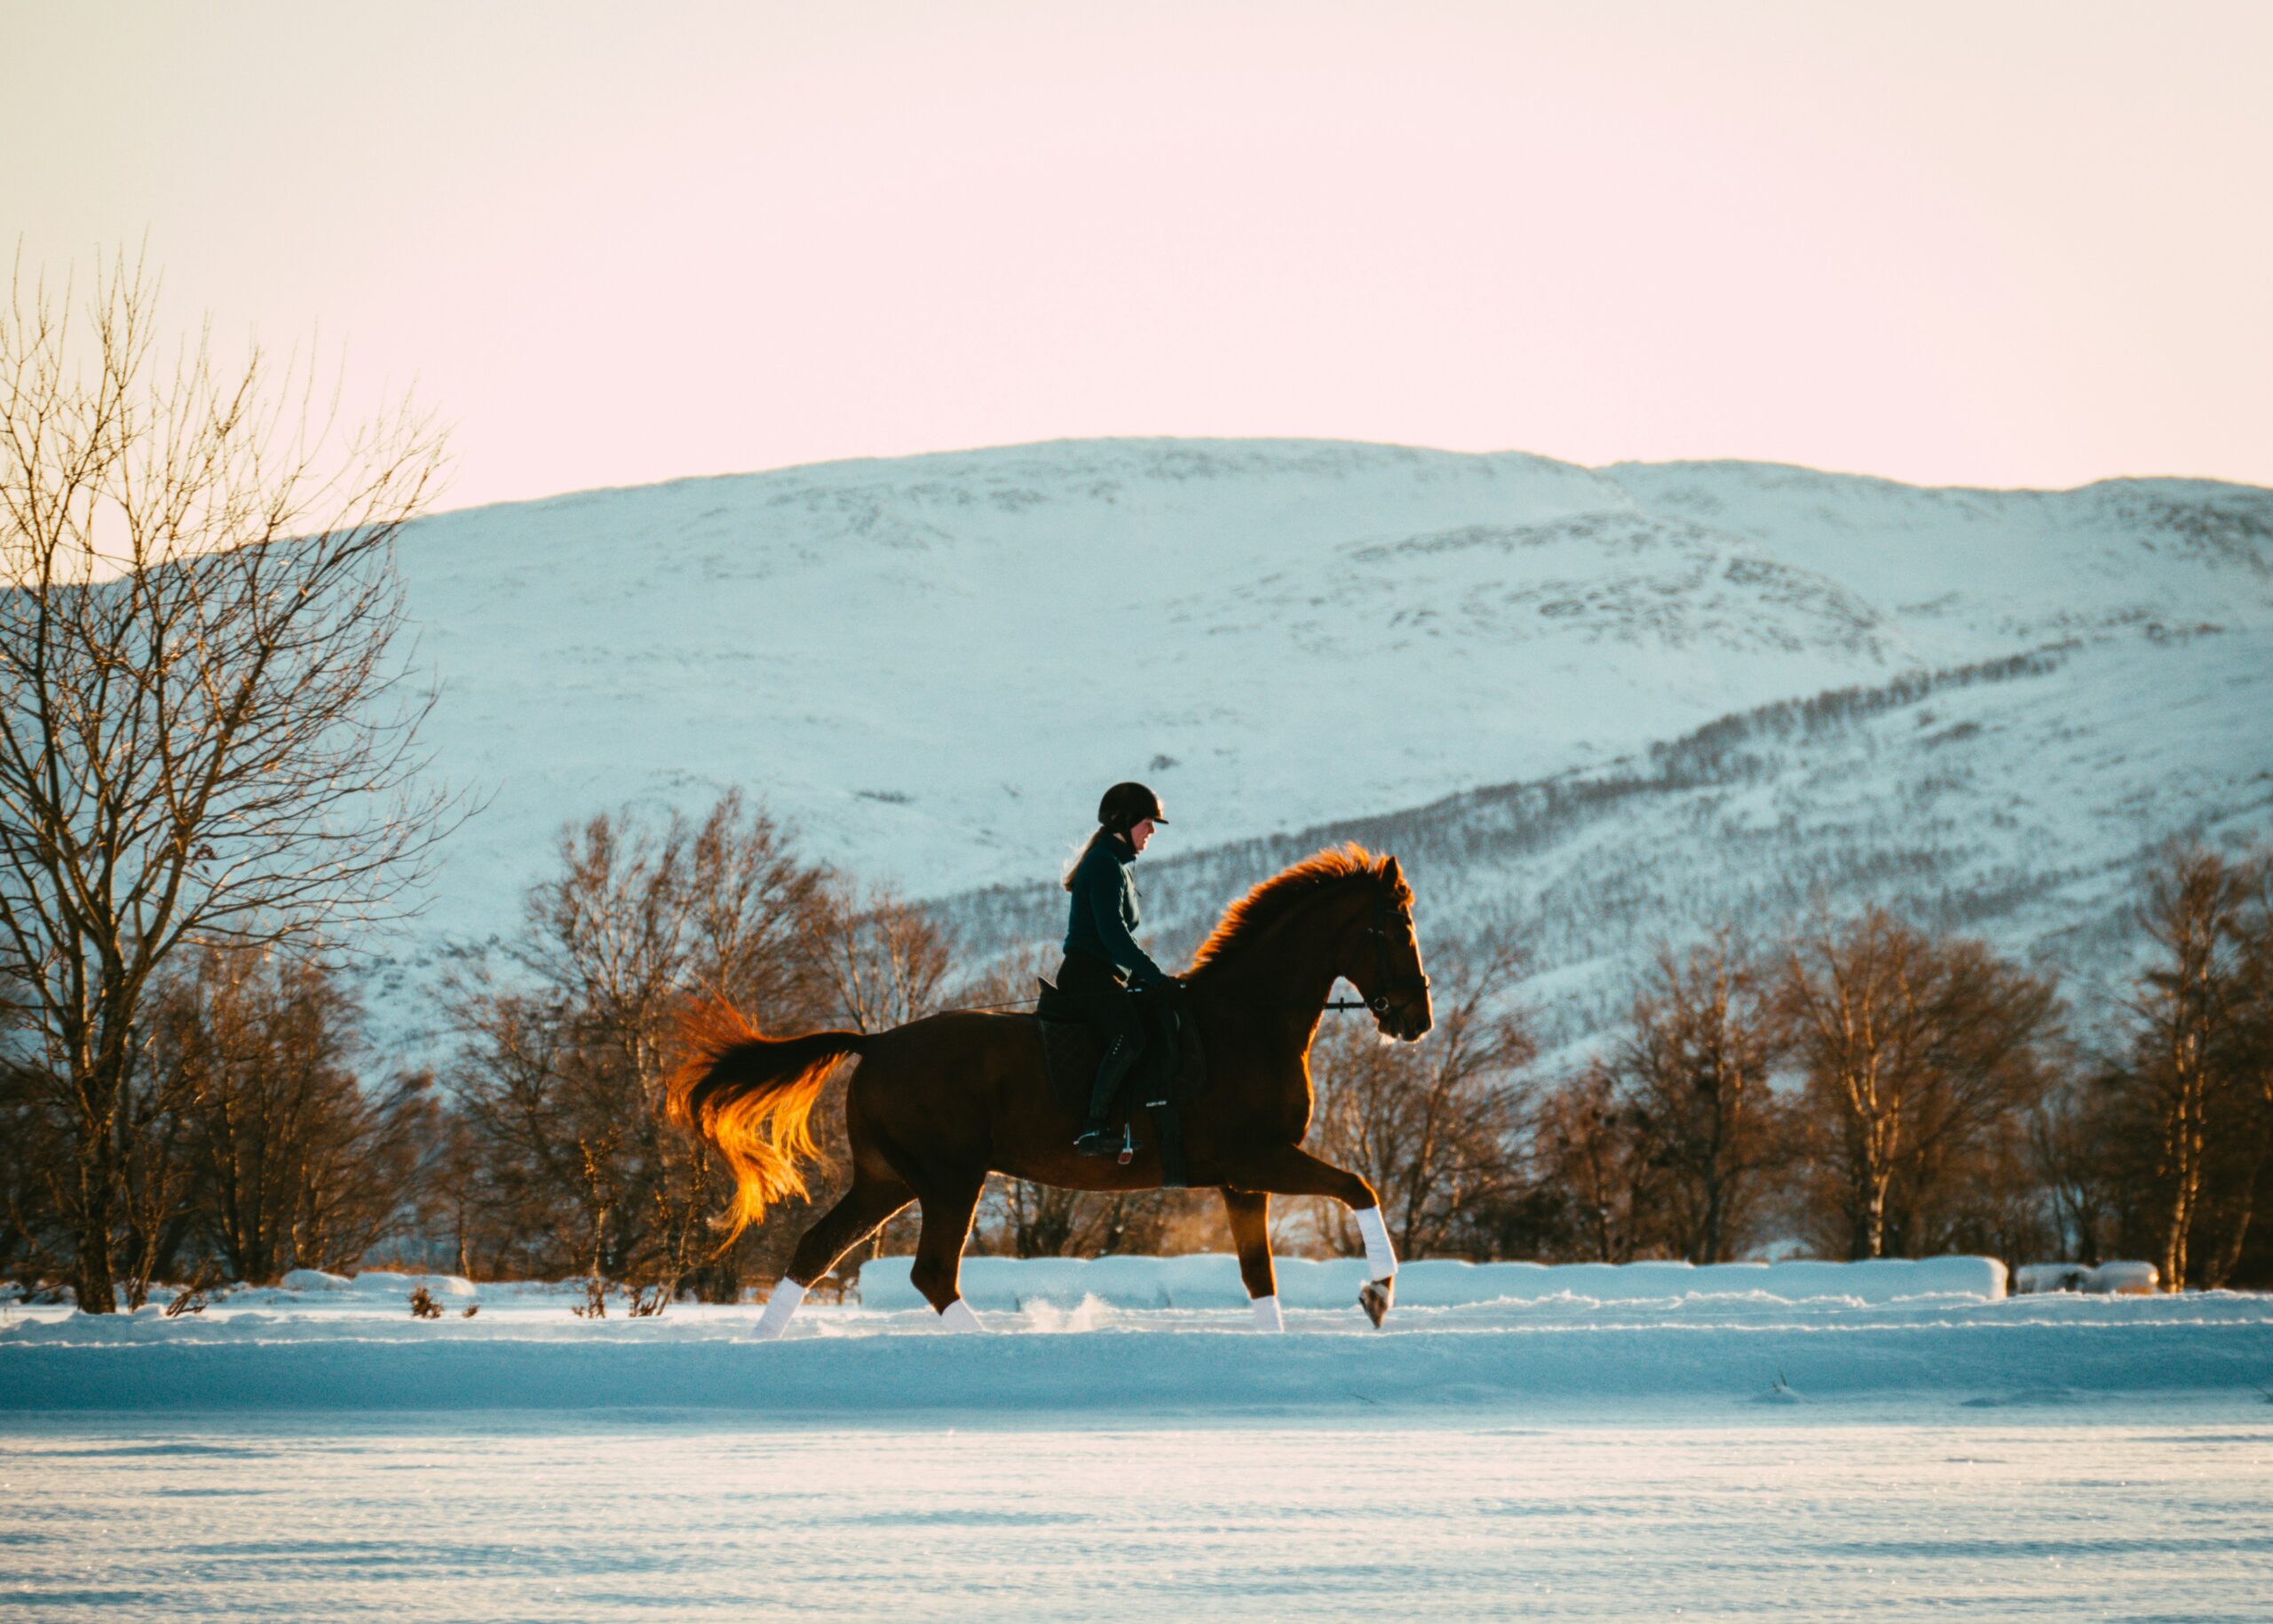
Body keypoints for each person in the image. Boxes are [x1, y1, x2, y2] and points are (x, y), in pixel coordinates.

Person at [1060, 781, 1173, 1156]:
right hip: (1088, 976)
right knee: (1131, 1037)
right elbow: (1113, 934)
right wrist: (1154, 975)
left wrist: (1145, 978)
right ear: (1122, 822)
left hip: (1104, 974)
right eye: (1147, 822)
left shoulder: (1116, 865)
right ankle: (1093, 1128)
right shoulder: (1105, 865)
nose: (1152, 831)